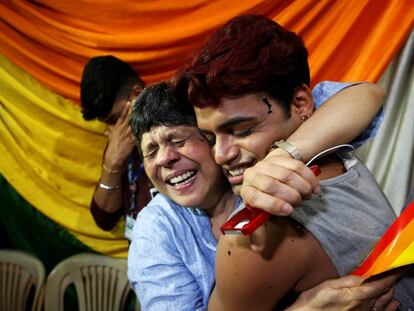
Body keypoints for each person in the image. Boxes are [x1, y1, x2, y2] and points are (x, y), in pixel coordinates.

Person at [176, 14, 414, 309]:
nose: (221, 154)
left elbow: (367, 93)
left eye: (242, 131)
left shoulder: (252, 242)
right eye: (210, 138)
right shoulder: (333, 148)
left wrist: (282, 156)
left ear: (302, 104)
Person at [127, 82, 400, 310]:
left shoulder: (251, 160)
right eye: (150, 151)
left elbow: (364, 95)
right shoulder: (155, 232)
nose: (165, 158)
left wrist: (282, 155)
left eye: (178, 140)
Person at [80, 55, 153, 239]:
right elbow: (104, 218)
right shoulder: (120, 144)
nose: (112, 132)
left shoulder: (175, 134)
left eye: (116, 118)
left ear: (137, 93)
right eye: (107, 123)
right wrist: (112, 163)